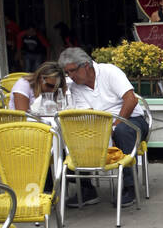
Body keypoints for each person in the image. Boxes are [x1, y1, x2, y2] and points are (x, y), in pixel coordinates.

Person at [58, 48, 149, 208]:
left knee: (122, 132)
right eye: (67, 72)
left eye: (73, 71)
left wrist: (114, 126)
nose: (71, 76)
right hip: (100, 124)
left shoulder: (109, 72)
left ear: (86, 65)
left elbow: (130, 100)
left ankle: (129, 186)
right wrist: (98, 132)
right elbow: (87, 114)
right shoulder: (75, 87)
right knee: (76, 134)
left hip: (130, 119)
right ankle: (87, 189)